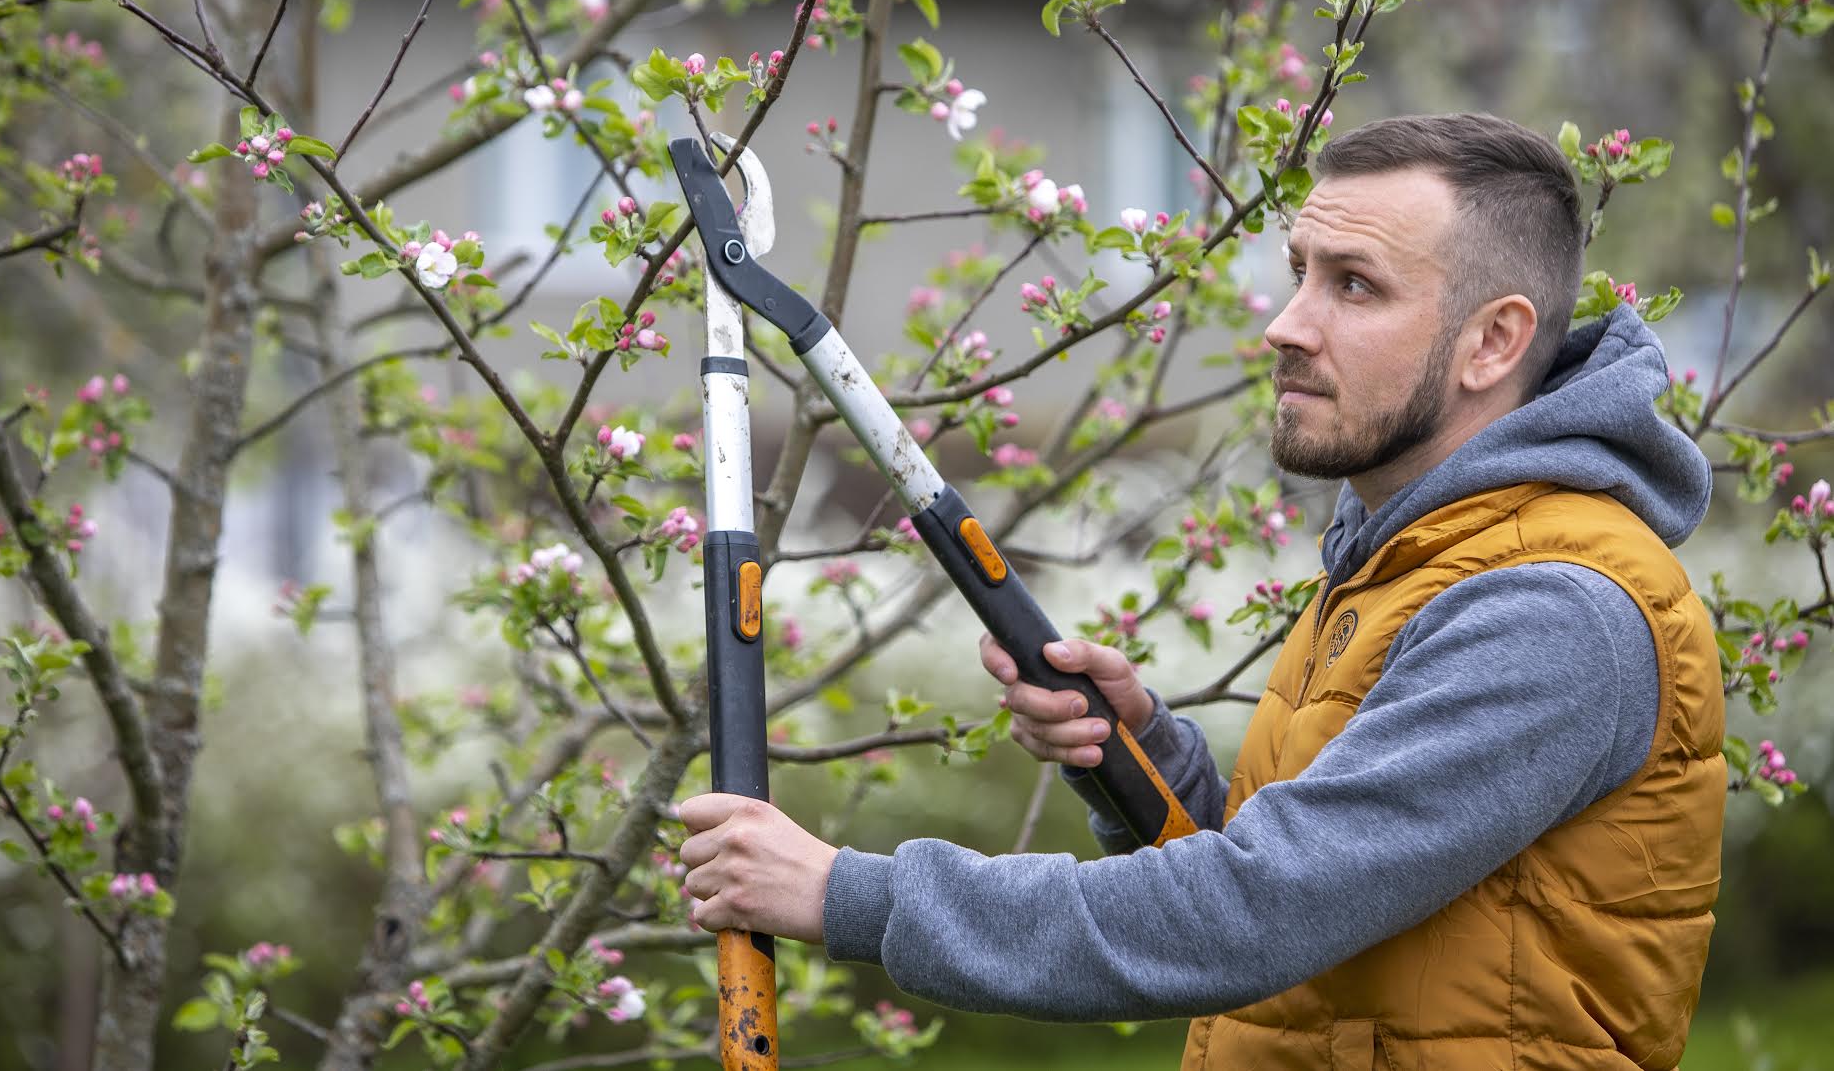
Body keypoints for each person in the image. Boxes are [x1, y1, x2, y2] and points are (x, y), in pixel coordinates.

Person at [678, 112, 1726, 1069]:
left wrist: (843, 892)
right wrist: (1146, 759)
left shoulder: (1547, 608)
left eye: (1353, 286)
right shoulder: (1410, 557)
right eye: (1300, 272)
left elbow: (1257, 911)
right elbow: (1338, 898)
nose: (1286, 325)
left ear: (1492, 341)